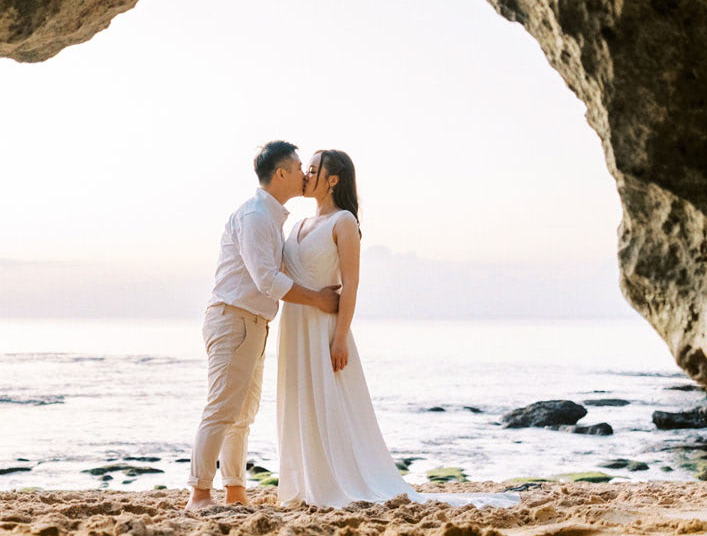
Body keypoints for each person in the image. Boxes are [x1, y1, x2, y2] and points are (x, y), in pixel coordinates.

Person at [276, 149, 518, 509]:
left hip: (325, 328)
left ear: (333, 179)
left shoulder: (343, 223)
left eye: (314, 169)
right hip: (294, 326)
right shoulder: (295, 226)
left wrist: (340, 338)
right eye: (306, 169)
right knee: (299, 402)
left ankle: (337, 480)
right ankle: (305, 482)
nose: (307, 174)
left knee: (332, 405)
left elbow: (351, 286)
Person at [185, 141, 341, 512]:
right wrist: (319, 299)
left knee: (242, 414)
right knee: (222, 408)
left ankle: (235, 491)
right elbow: (267, 280)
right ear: (281, 173)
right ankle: (199, 495)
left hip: (252, 322)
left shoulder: (272, 217)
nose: (306, 174)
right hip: (233, 318)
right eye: (300, 166)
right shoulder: (256, 216)